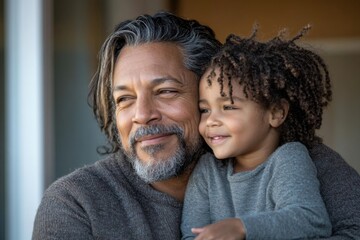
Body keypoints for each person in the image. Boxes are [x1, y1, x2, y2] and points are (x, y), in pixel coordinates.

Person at [32, 12, 360, 239]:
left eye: (166, 91)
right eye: (125, 99)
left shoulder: (299, 159)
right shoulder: (76, 202)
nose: (142, 115)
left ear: (209, 87)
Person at [181, 27, 333, 240]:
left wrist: (242, 227)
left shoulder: (288, 159)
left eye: (228, 107)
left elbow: (312, 220)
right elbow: (191, 236)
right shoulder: (208, 171)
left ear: (276, 113)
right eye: (205, 110)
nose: (211, 121)